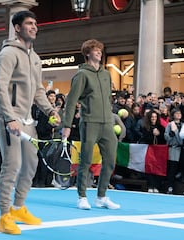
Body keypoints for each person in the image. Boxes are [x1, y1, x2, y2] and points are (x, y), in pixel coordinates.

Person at [0, 11, 60, 235]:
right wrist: (9, 117)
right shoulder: (9, 53)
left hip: (27, 118)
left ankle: (19, 208)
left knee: (30, 165)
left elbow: (38, 90)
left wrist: (50, 109)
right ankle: (4, 216)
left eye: (35, 23)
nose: (34, 27)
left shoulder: (35, 57)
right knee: (12, 165)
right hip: (8, 116)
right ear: (17, 28)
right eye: (29, 23)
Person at [61, 39, 120, 210]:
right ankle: (82, 196)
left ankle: (101, 196)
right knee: (85, 161)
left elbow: (108, 99)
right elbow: (71, 101)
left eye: (100, 50)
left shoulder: (106, 74)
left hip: (107, 123)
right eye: (95, 50)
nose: (99, 53)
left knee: (110, 160)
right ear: (87, 53)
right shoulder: (81, 75)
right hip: (89, 122)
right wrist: (66, 125)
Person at [164, 108, 183, 194]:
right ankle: (170, 186)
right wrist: (172, 134)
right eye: (176, 113)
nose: (178, 114)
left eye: (180, 113)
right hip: (173, 149)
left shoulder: (183, 125)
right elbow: (167, 137)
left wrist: (175, 131)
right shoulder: (169, 124)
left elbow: (182, 140)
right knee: (172, 168)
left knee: (180, 169)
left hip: (182, 149)